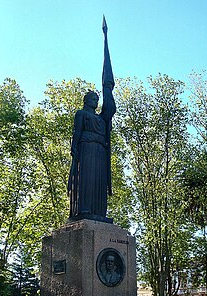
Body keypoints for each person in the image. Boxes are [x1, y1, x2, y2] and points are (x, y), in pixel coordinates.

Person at [68, 17, 116, 221]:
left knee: (98, 182)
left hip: (99, 151)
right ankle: (84, 209)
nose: (96, 100)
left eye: (98, 98)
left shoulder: (101, 118)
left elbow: (110, 109)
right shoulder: (82, 114)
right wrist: (75, 150)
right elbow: (76, 133)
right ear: (86, 100)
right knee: (87, 180)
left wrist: (107, 89)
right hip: (86, 150)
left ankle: (98, 212)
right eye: (94, 98)